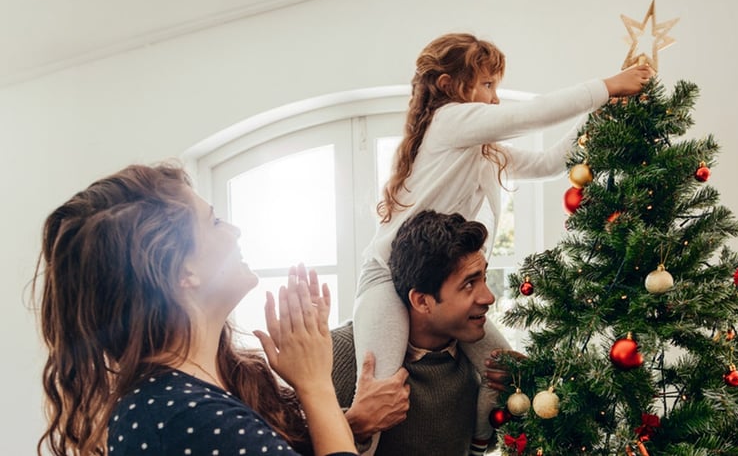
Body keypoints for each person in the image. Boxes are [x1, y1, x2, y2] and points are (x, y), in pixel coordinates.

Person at [352, 32, 654, 452]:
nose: (495, 99)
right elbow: (529, 116)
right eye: (487, 85)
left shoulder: (484, 152)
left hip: (443, 282)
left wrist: (600, 113)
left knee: (507, 372)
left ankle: (478, 445)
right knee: (380, 388)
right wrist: (607, 85)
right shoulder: (449, 122)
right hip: (388, 277)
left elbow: (552, 163)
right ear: (448, 87)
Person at [34, 163, 366, 456]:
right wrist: (316, 385)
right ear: (183, 271)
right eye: (215, 221)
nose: (235, 231)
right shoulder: (182, 415)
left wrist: (350, 420)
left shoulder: (196, 391)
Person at [335, 210, 514, 455]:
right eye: (469, 284)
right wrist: (356, 426)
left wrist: (522, 394)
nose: (489, 297)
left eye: (484, 277)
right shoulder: (341, 355)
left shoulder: (478, 363)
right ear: (422, 301)